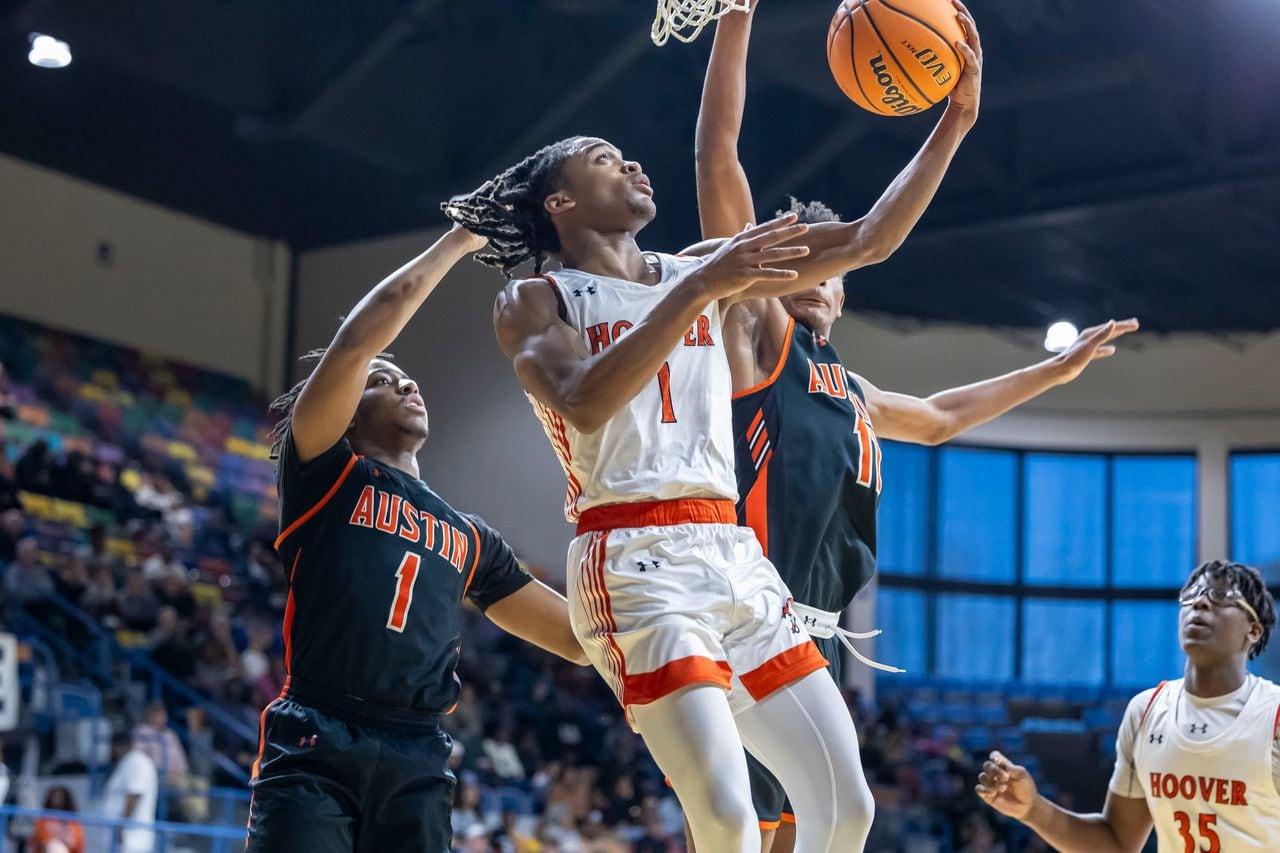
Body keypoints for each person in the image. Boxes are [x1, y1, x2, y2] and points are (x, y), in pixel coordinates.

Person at [442, 31, 1010, 840]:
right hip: (632, 560)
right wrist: (705, 284)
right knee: (730, 816)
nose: (634, 165)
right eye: (606, 159)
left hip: (732, 551)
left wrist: (954, 119)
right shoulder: (538, 299)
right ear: (560, 204)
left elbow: (869, 239)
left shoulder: (700, 269)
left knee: (848, 804)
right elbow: (586, 402)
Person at [691, 4, 1138, 850]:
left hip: (809, 645)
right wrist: (735, 21)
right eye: (796, 264)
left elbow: (937, 418)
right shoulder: (755, 336)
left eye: (825, 270)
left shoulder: (847, 387)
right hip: (743, 623)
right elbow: (719, 156)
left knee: (812, 831)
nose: (812, 279)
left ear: (843, 291)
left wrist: (1055, 369)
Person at [245, 224, 587, 852]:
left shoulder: (469, 536)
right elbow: (356, 340)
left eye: (405, 377)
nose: (405, 383)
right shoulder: (326, 472)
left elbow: (577, 639)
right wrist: (462, 239)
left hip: (418, 755)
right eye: (381, 380)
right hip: (319, 733)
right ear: (345, 411)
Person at [978, 560, 1280, 851]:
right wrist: (1032, 809)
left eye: (1220, 596)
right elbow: (1117, 843)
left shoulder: (1273, 716)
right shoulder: (1146, 711)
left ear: (1253, 630)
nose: (1199, 603)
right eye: (1192, 595)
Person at [103, 730, 159, 853]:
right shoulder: (128, 762)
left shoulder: (137, 762)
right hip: (124, 839)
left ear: (116, 746)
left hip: (132, 839)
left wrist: (122, 826)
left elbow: (134, 795)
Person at [33, 785, 84, 853]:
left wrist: (68, 841)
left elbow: (78, 844)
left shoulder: (73, 821)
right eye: (55, 797)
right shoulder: (43, 820)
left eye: (60, 797)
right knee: (55, 847)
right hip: (50, 849)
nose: (57, 800)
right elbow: (40, 840)